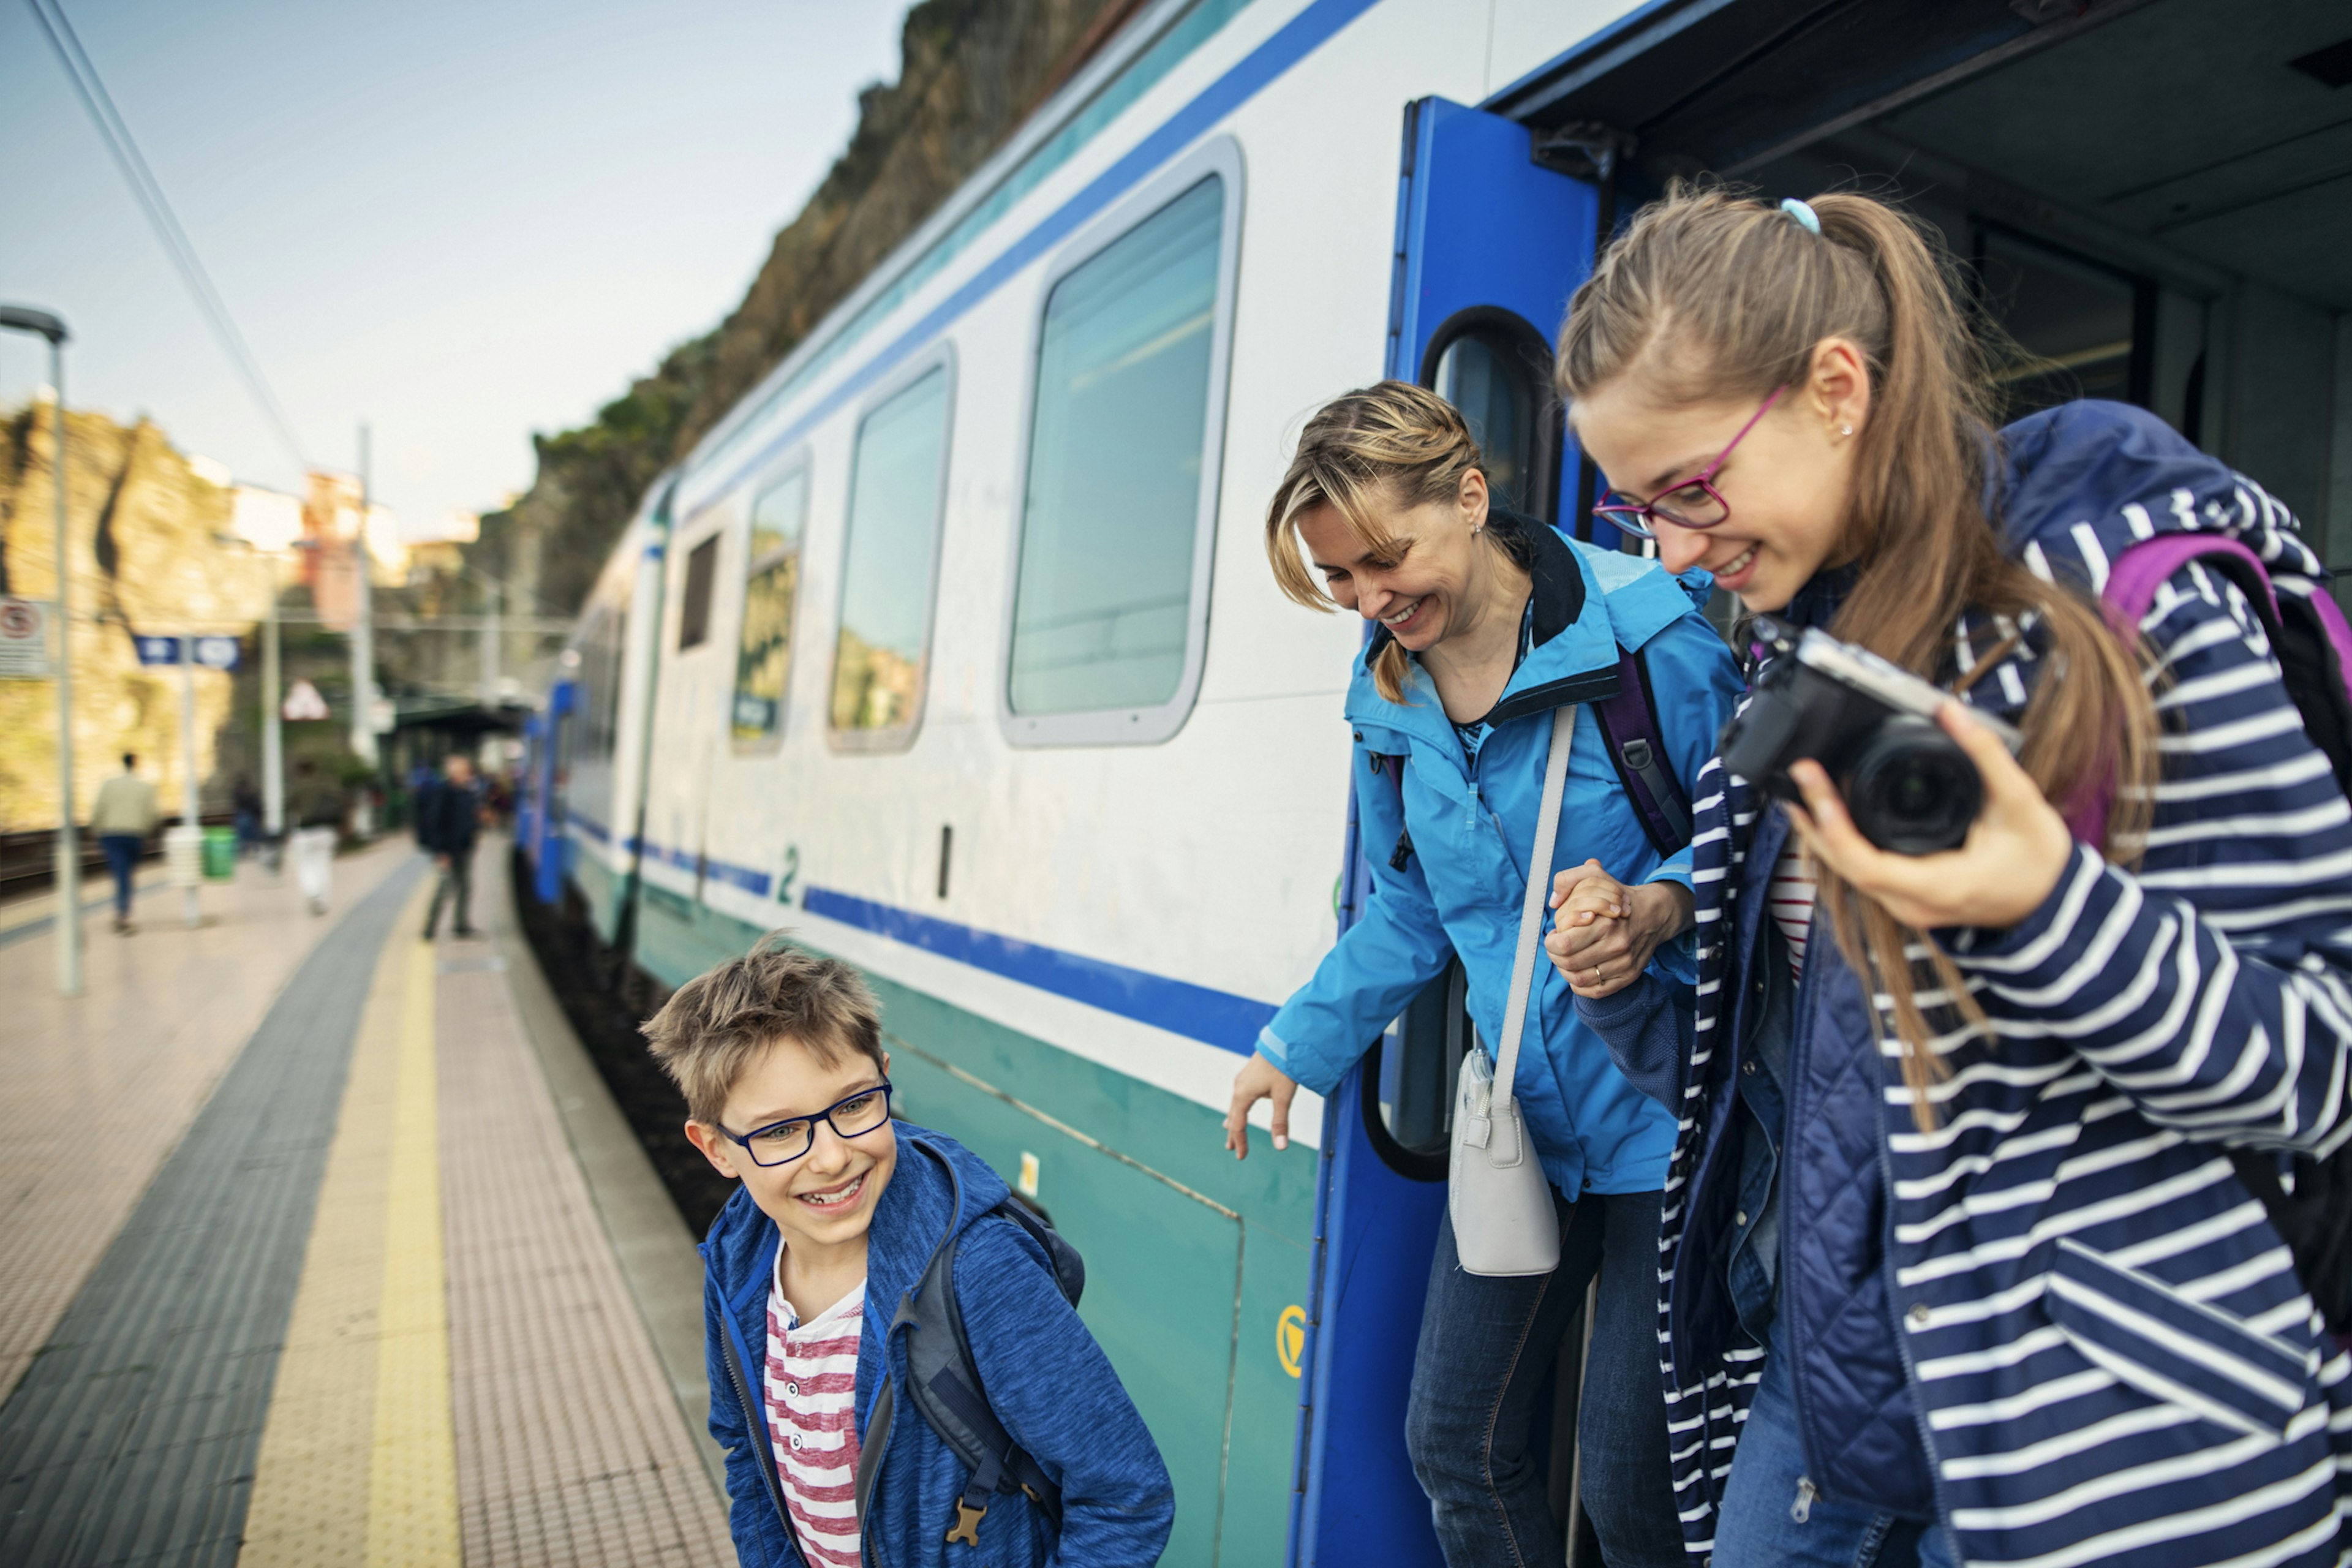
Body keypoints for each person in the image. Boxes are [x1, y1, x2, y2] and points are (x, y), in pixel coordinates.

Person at [1552, 188, 2352, 1568]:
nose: (1674, 548)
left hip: (2117, 1428)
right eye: (1638, 510)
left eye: (1691, 489)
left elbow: (2321, 1064)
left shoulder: (2125, 606)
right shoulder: (1801, 657)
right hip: (1836, 1380)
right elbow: (1800, 1070)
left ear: (1838, 387)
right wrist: (1630, 982)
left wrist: (2045, 907)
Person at [1223, 382, 1743, 1568]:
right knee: (1456, 1441)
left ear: (1469, 496)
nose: (1370, 599)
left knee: (1632, 1488)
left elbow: (1763, 846)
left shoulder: (1655, 639)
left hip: (1675, 1119)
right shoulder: (1389, 693)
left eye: (1386, 558)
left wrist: (1660, 905)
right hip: (1527, 1116)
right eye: (1341, 576)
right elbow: (1411, 899)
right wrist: (1292, 1046)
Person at [647, 938, 1174, 1568]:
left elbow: (1126, 1494)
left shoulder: (981, 1270)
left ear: (885, 1077)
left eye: (854, 1104)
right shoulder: (738, 1259)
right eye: (781, 1130)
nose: (834, 1155)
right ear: (716, 1149)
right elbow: (745, 1450)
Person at [89, 752, 159, 934]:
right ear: (135, 764)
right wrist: (145, 831)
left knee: (120, 872)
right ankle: (123, 913)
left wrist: (98, 831)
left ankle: (122, 912)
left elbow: (97, 811)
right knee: (127, 873)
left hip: (111, 835)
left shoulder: (108, 785)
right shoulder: (145, 787)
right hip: (135, 835)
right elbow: (153, 815)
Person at [418, 753, 482, 940]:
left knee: (466, 887)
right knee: (444, 888)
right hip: (447, 850)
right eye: (464, 772)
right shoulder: (442, 793)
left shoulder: (467, 792)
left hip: (464, 849)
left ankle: (461, 925)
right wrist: (440, 852)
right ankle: (429, 929)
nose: (468, 775)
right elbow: (434, 823)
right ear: (454, 773)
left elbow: (469, 818)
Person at [286, 758, 343, 916]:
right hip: (325, 831)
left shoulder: (297, 788)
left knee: (306, 865)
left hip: (305, 832)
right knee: (323, 865)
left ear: (300, 771)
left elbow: (289, 808)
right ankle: (323, 902)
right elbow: (339, 801)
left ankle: (313, 892)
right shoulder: (325, 785)